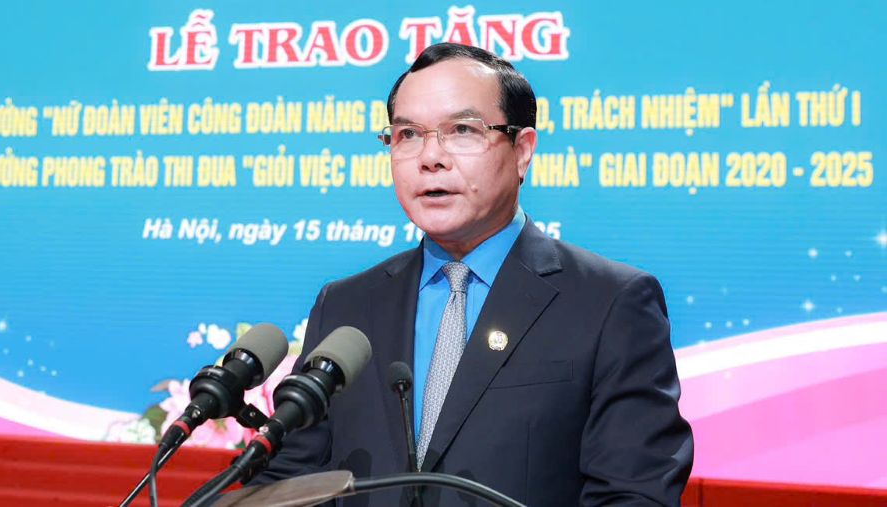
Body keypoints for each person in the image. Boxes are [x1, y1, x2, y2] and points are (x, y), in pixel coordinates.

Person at [256, 43, 694, 505]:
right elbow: (289, 480)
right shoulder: (347, 305)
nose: (431, 157)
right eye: (408, 134)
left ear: (522, 150)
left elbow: (634, 494)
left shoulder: (609, 303)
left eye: (462, 130)